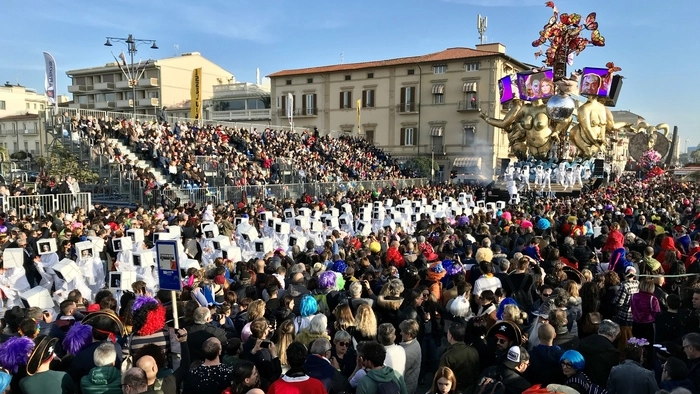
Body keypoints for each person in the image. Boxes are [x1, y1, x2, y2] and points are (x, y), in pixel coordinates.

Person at [577, 319, 620, 387]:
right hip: (599, 385)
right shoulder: (612, 352)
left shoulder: (582, 342)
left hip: (580, 381)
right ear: (613, 335)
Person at [439, 322, 479, 393]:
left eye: (448, 333)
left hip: (454, 390)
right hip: (470, 389)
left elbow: (443, 377)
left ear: (450, 336)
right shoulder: (474, 351)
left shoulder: (448, 356)